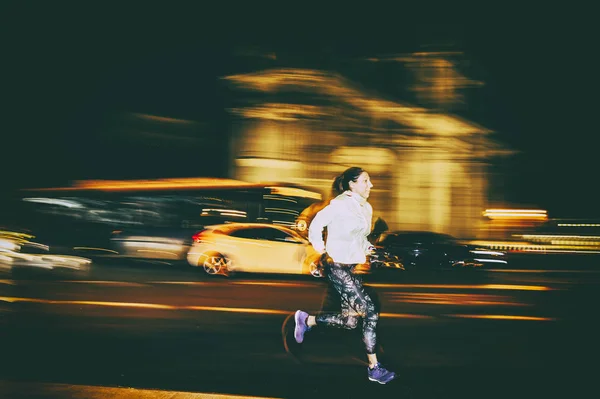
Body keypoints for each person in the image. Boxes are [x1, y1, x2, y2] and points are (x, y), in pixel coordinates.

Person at [294, 167, 396, 384]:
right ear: (352, 184)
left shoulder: (366, 208)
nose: (371, 185)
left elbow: (360, 238)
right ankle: (374, 367)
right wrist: (322, 250)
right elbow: (316, 225)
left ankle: (307, 320)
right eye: (366, 181)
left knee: (350, 322)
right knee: (370, 311)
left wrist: (368, 249)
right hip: (336, 265)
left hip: (351, 267)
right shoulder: (339, 204)